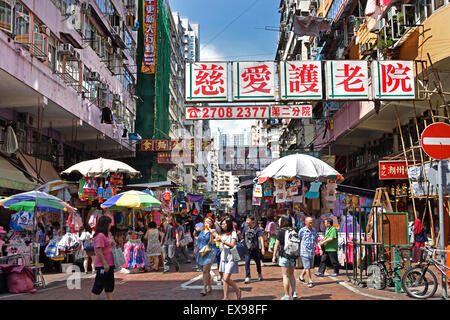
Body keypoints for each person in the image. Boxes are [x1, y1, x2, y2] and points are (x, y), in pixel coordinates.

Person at [272, 214, 298, 300]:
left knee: (285, 276)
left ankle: (287, 295)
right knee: (291, 275)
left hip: (284, 256)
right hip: (293, 256)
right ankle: (294, 293)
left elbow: (276, 245)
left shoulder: (281, 231)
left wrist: (274, 256)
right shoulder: (294, 230)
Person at [216, 218, 241, 300]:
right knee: (224, 279)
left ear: (228, 224)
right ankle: (225, 297)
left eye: (224, 224)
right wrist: (214, 239)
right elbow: (216, 243)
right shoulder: (221, 234)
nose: (222, 226)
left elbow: (232, 245)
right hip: (223, 257)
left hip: (231, 257)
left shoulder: (233, 233)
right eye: (221, 224)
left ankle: (237, 289)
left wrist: (222, 241)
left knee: (226, 278)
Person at [91, 216, 115, 300]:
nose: (111, 225)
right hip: (103, 264)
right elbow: (98, 250)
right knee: (99, 284)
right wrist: (105, 263)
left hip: (110, 263)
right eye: (109, 224)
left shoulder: (107, 234)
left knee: (109, 284)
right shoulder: (100, 235)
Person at [197, 217, 218, 296]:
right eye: (206, 221)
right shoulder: (201, 231)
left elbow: (212, 242)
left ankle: (204, 288)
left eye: (209, 222)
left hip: (210, 251)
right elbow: (198, 239)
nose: (207, 223)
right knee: (206, 271)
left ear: (212, 223)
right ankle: (209, 286)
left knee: (205, 269)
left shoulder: (213, 231)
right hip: (202, 252)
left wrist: (210, 231)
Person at [241, 215, 265, 284]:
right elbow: (242, 237)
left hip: (255, 249)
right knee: (247, 262)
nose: (247, 221)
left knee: (257, 262)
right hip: (247, 249)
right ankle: (248, 276)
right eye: (246, 220)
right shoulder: (245, 229)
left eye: (248, 220)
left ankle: (259, 273)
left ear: (252, 221)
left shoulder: (257, 229)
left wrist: (262, 248)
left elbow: (261, 238)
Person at [298, 217, 319, 287]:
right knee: (307, 267)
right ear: (305, 223)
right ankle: (310, 280)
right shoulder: (302, 230)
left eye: (312, 222)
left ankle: (301, 277)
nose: (311, 224)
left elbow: (316, 239)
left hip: (311, 251)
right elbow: (299, 238)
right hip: (304, 251)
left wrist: (320, 248)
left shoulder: (314, 230)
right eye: (310, 222)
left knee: (308, 266)